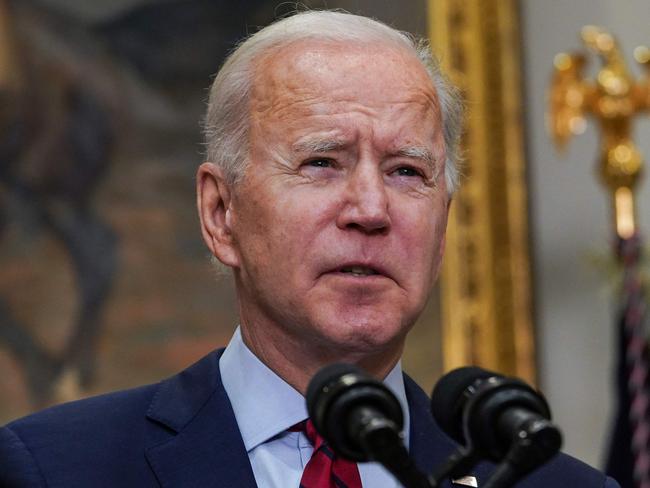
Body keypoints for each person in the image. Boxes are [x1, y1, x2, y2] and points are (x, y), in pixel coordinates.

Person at [0, 10, 618, 488]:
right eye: (321, 163)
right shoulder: (56, 469)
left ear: (443, 223)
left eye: (407, 171)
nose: (371, 211)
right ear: (221, 212)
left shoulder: (552, 483)